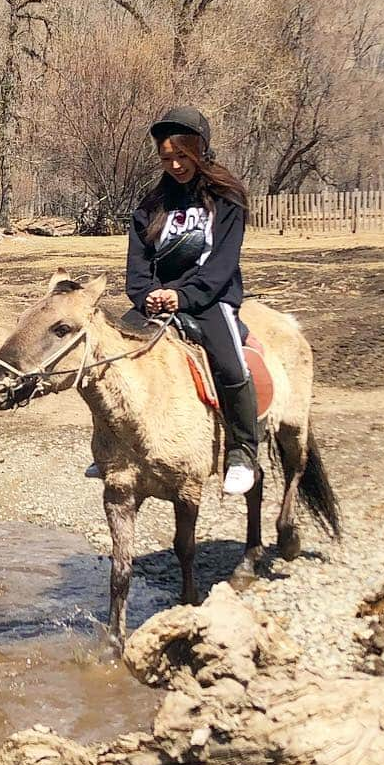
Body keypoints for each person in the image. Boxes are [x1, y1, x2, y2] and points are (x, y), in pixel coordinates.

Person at [121, 106, 259, 496]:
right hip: (156, 301)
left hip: (210, 299)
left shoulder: (227, 198)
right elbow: (138, 265)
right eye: (167, 158)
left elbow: (222, 264)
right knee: (113, 358)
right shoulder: (150, 206)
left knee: (231, 366)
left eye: (183, 156)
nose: (176, 165)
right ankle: (116, 448)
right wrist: (147, 296)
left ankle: (243, 450)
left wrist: (183, 296)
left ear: (200, 150)